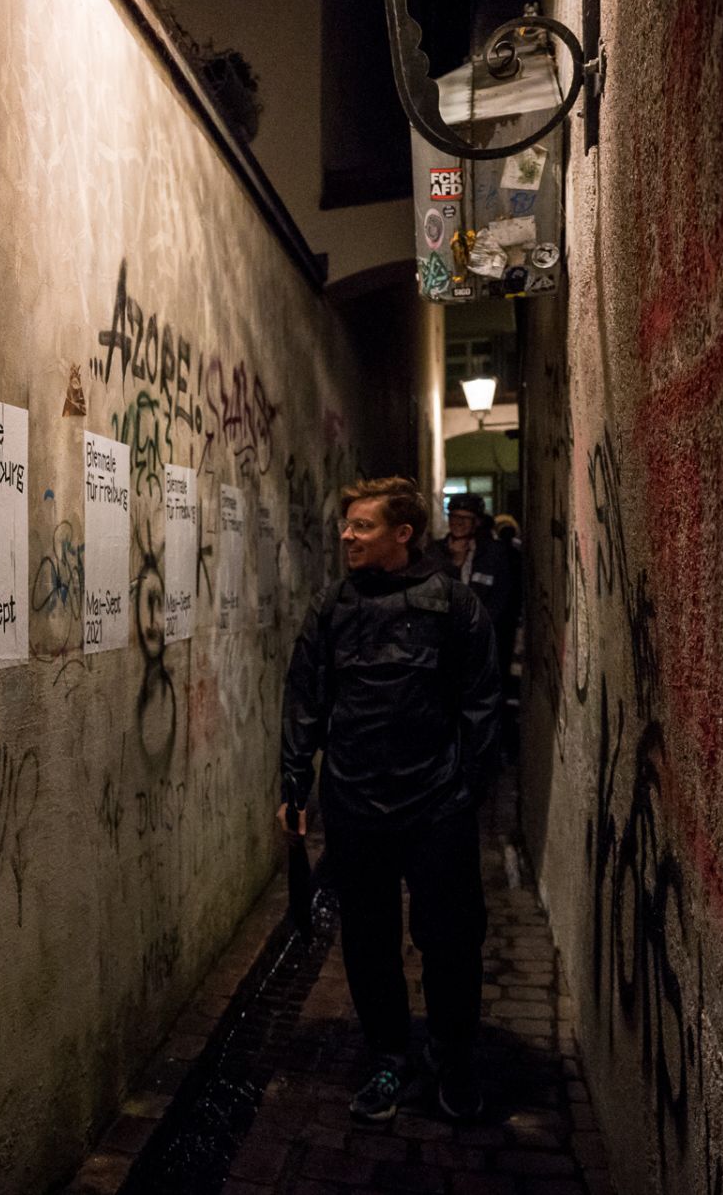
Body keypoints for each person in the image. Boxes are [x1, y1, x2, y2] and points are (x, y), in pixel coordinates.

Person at [275, 477, 501, 1123]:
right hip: (354, 801)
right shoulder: (331, 608)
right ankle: (388, 1055)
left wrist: (466, 790)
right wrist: (295, 780)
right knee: (369, 940)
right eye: (346, 524)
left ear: (402, 533)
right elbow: (305, 697)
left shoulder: (455, 607)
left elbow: (481, 705)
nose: (347, 534)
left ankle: (454, 1056)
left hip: (436, 804)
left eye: (362, 526)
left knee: (452, 939)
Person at [427, 493, 520, 670]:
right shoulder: (435, 552)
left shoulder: (494, 554)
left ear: (477, 522)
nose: (458, 522)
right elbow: (432, 592)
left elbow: (501, 597)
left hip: (482, 641)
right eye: (454, 516)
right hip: (445, 640)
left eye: (465, 518)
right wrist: (454, 563)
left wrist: (480, 629)